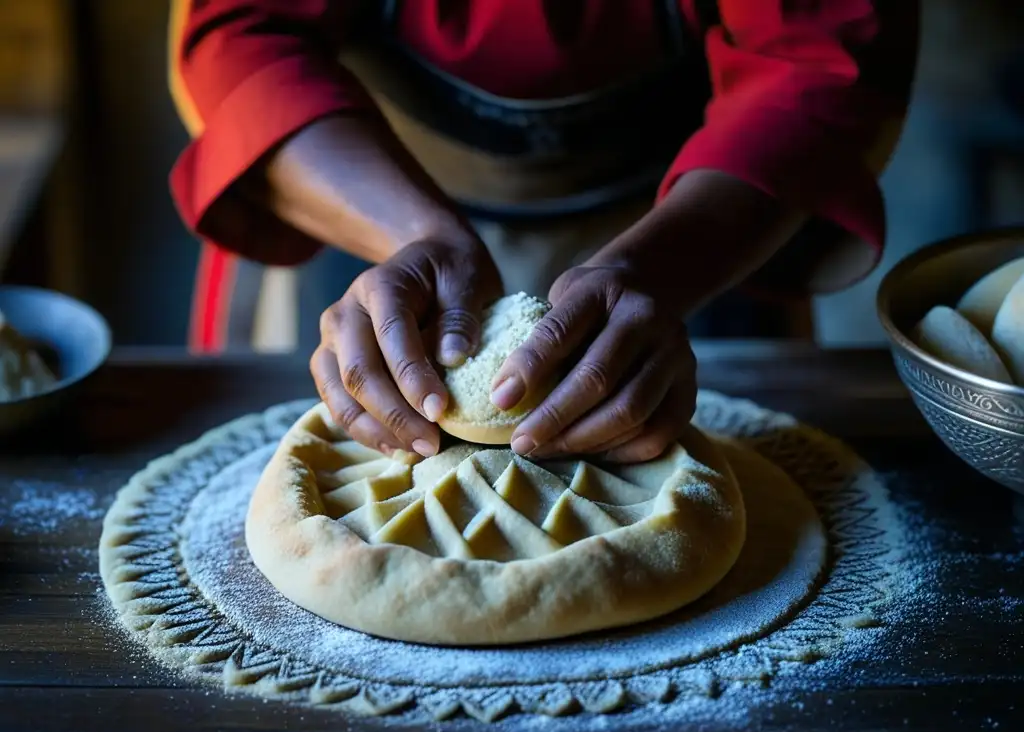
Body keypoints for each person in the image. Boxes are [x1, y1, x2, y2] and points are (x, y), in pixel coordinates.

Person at [167, 0, 919, 463]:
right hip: (364, 211)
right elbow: (242, 35)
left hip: (698, 229)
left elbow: (819, 57)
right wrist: (415, 234)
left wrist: (656, 270)